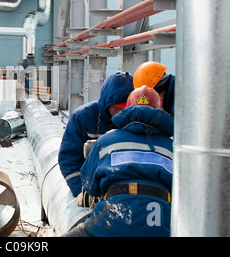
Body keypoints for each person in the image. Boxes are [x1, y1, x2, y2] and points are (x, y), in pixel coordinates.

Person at [64, 85, 174, 237]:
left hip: (114, 216)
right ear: (160, 110)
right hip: (161, 223)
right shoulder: (172, 148)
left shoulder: (108, 141)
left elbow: (90, 187)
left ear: (127, 110)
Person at [58, 71, 134, 197]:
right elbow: (69, 158)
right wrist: (80, 190)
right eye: (117, 108)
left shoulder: (135, 120)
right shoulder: (82, 118)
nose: (121, 112)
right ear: (106, 102)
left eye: (126, 108)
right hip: (89, 183)